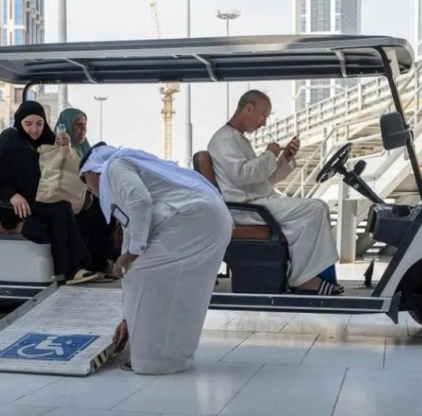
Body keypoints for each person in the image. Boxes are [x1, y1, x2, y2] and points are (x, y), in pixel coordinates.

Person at [79, 144, 232, 374]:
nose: (89, 190)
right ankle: (171, 357)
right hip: (206, 220)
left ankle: (155, 360)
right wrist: (127, 318)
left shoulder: (115, 167)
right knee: (162, 284)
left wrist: (134, 252)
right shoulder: (122, 178)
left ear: (91, 171)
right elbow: (131, 233)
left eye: (84, 181)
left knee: (142, 274)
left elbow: (140, 202)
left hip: (194, 220)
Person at [207, 90, 342, 295]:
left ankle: (310, 275)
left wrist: (284, 158)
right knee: (314, 209)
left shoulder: (238, 139)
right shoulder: (223, 140)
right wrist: (269, 153)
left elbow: (261, 179)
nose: (264, 124)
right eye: (263, 116)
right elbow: (244, 175)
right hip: (248, 208)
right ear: (248, 108)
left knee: (318, 207)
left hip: (257, 202)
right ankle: (303, 280)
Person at [0, 101, 99, 285]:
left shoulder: (44, 140)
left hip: (37, 200)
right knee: (61, 210)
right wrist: (12, 195)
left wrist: (63, 144)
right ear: (20, 122)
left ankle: (87, 265)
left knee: (74, 209)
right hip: (11, 205)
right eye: (28, 124)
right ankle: (69, 270)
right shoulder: (9, 139)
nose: (34, 130)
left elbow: (60, 160)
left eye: (39, 124)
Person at [57, 107, 115, 274]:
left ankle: (104, 259)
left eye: (85, 124)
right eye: (78, 124)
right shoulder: (58, 149)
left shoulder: (86, 149)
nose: (83, 129)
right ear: (66, 126)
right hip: (69, 197)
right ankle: (93, 263)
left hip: (87, 196)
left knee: (107, 208)